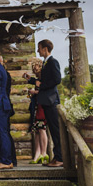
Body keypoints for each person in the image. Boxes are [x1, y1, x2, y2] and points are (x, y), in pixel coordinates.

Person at [28, 39, 63, 167]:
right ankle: (57, 157)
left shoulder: (53, 62)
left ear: (45, 49)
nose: (38, 50)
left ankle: (59, 158)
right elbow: (43, 81)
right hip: (46, 101)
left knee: (55, 130)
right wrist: (31, 80)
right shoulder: (45, 63)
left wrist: (41, 86)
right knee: (53, 131)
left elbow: (57, 79)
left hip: (51, 101)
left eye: (39, 48)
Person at [24, 58, 49, 164]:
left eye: (36, 66)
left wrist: (33, 92)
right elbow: (34, 81)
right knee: (37, 130)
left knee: (42, 129)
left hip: (42, 107)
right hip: (36, 106)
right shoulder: (38, 79)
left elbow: (43, 91)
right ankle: (37, 154)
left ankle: (44, 153)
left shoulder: (44, 79)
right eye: (33, 67)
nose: (34, 68)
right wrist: (29, 80)